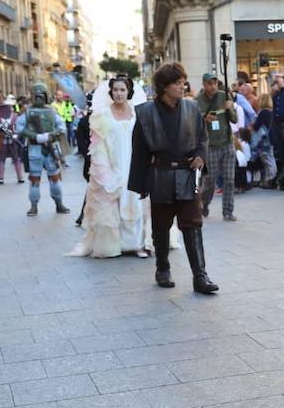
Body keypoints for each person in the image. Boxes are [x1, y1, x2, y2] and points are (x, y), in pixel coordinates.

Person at [129, 62, 218, 294]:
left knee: (193, 224)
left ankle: (200, 276)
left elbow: (202, 138)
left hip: (187, 175)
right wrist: (140, 184)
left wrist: (201, 156)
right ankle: (163, 268)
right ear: (164, 86)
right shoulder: (146, 113)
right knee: (161, 226)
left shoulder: (191, 108)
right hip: (160, 176)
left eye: (183, 82)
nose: (183, 86)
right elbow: (139, 149)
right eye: (177, 83)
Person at [71, 76, 149, 258]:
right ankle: (116, 244)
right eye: (116, 90)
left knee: (135, 200)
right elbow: (98, 143)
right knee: (113, 200)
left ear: (128, 91)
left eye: (122, 90)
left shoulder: (137, 113)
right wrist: (103, 169)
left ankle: (137, 244)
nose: (119, 94)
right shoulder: (102, 115)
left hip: (134, 161)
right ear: (111, 92)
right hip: (112, 163)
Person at [19, 82, 70, 217]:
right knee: (41, 179)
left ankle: (54, 205)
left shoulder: (42, 111)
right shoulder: (38, 111)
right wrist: (38, 136)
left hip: (44, 148)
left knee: (48, 179)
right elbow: (20, 129)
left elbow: (61, 128)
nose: (39, 98)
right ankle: (38, 206)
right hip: (39, 148)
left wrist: (47, 136)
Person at [197, 72, 237, 221]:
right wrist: (204, 119)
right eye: (209, 83)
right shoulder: (198, 101)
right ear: (204, 84)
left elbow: (234, 119)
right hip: (210, 145)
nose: (213, 86)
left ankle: (228, 211)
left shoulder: (224, 95)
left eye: (214, 83)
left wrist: (230, 108)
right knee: (209, 180)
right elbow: (194, 124)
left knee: (229, 179)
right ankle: (204, 204)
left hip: (227, 143)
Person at [0, 96, 25, 185]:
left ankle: (20, 177)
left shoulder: (14, 116)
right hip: (2, 140)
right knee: (2, 159)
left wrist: (15, 134)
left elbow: (17, 128)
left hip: (13, 140)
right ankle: (1, 178)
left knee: (16, 158)